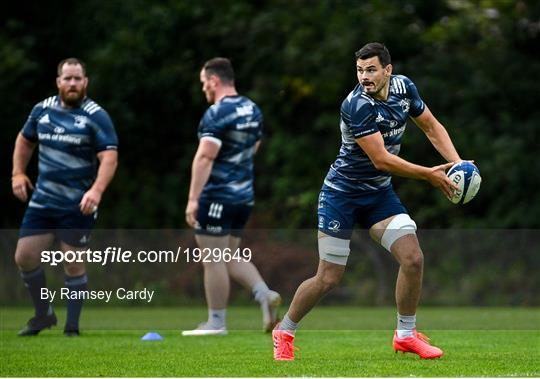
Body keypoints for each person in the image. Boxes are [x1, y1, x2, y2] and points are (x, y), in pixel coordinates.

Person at [272, 43, 465, 360]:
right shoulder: (356, 105)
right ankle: (285, 330)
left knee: (413, 258)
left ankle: (405, 335)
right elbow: (381, 160)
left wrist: (458, 165)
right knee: (328, 278)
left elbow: (430, 125)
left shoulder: (404, 88)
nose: (364, 77)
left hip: (377, 195)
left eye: (371, 69)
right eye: (360, 70)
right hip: (341, 195)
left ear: (388, 70)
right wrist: (430, 175)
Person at [12, 57, 118, 336]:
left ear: (86, 82)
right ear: (58, 82)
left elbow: (109, 157)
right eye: (67, 78)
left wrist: (96, 190)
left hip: (77, 203)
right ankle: (44, 313)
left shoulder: (96, 115)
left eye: (78, 79)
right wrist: (17, 173)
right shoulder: (41, 111)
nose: (72, 84)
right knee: (25, 257)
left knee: (72, 260)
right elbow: (25, 140)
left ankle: (72, 328)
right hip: (44, 200)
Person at [183, 57, 280, 336]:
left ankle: (216, 322)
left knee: (212, 258)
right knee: (228, 254)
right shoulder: (252, 109)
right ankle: (264, 294)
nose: (204, 89)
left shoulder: (216, 113)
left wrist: (193, 199)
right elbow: (254, 146)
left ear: (214, 81)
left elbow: (204, 157)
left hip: (216, 197)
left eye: (204, 83)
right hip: (244, 197)